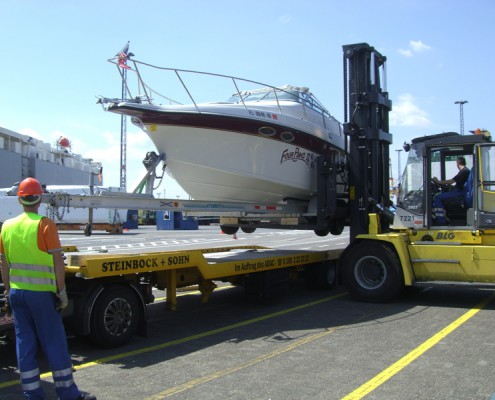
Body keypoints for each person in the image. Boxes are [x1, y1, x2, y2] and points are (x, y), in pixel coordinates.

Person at [0, 178, 96, 400]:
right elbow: (57, 262)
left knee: (25, 344)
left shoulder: (7, 225)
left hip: (17, 294)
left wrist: (7, 291)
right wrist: (61, 292)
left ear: (19, 199)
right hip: (42, 295)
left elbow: (3, 263)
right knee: (54, 342)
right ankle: (68, 394)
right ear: (40, 198)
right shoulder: (45, 225)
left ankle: (32, 394)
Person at [432, 156, 470, 225]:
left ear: (458, 163)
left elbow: (451, 181)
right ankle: (445, 217)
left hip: (459, 193)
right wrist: (450, 187)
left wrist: (438, 182)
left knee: (437, 198)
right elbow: (458, 184)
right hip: (459, 191)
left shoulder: (463, 171)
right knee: (442, 195)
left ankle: (441, 221)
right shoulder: (465, 171)